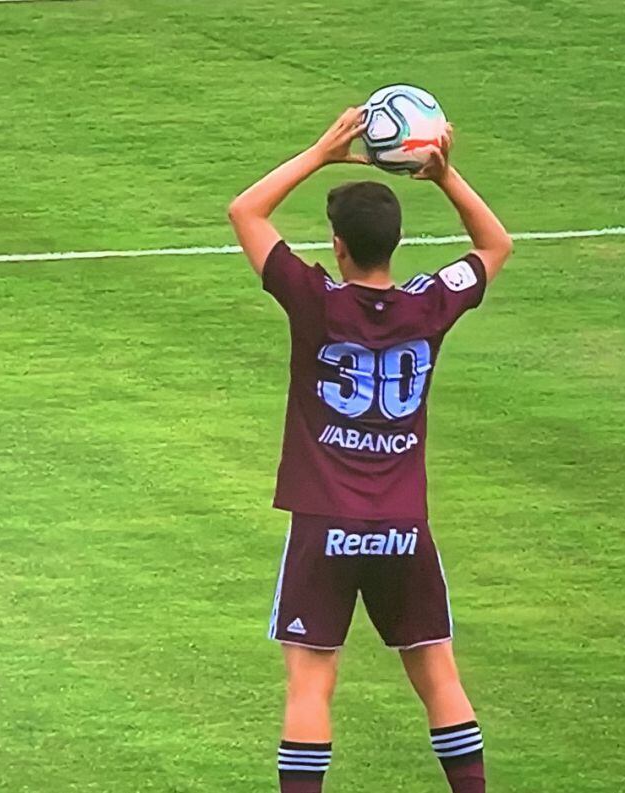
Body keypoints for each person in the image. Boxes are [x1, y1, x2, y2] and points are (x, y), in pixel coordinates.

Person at [228, 107, 513, 791]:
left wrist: (320, 152)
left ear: (338, 244)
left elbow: (246, 211)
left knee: (310, 683)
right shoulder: (428, 305)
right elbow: (496, 244)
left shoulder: (316, 299)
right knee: (438, 672)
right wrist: (444, 176)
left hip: (324, 521)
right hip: (403, 526)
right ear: (396, 242)